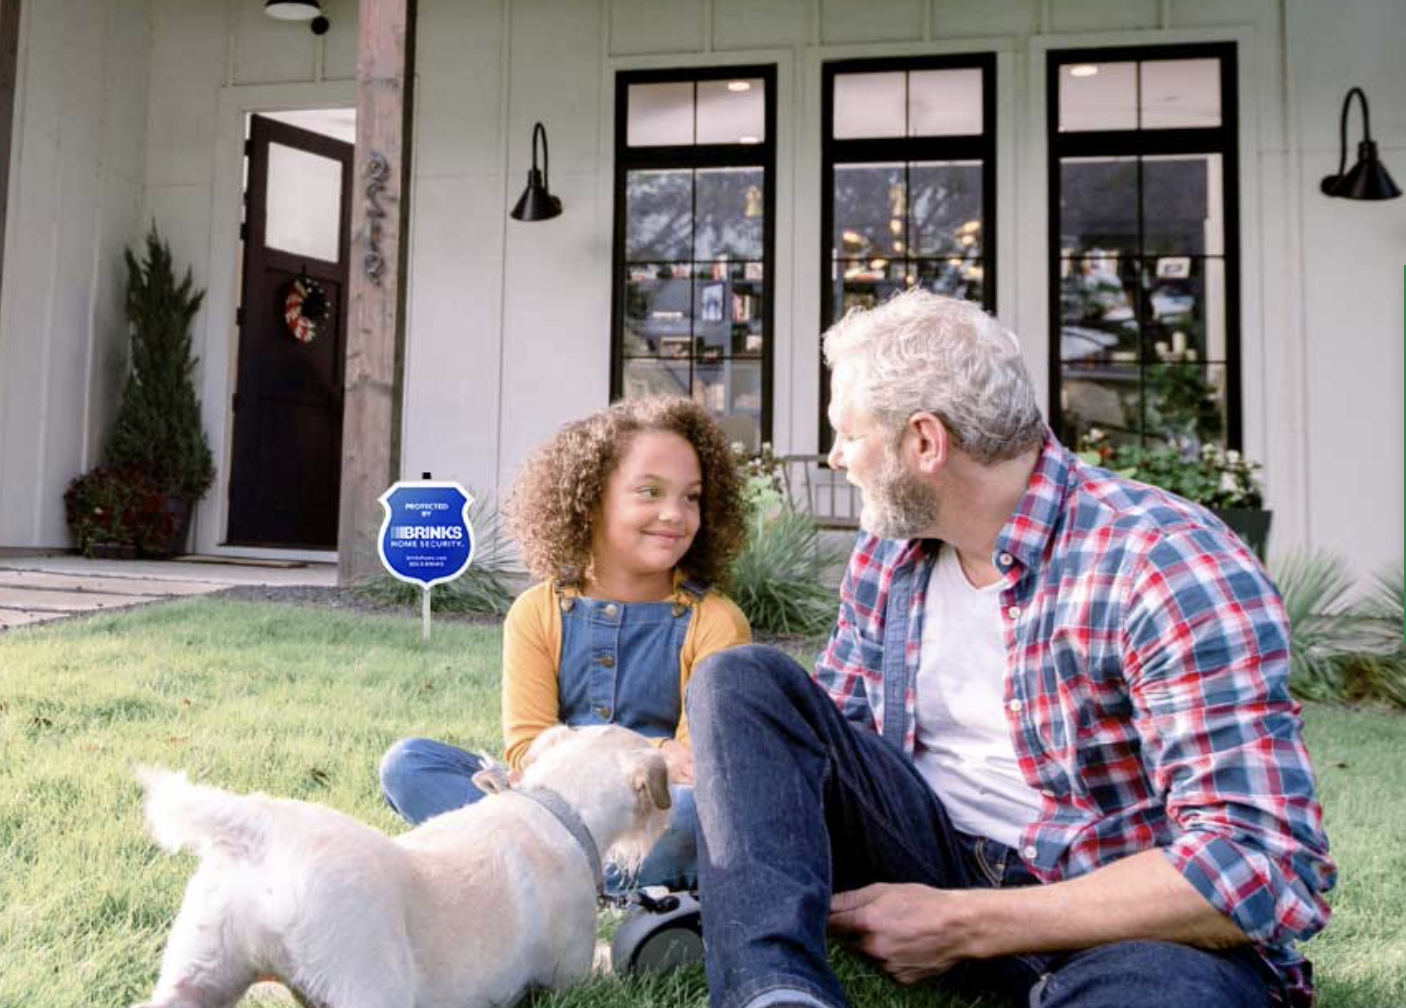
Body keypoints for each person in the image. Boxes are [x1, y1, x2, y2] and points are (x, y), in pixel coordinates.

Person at [685, 291, 1334, 1008]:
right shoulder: (891, 550)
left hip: (1120, 924)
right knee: (739, 681)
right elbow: (827, 747)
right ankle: (775, 992)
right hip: (930, 859)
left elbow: (1260, 864)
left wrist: (963, 924)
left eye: (847, 433)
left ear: (924, 443)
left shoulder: (1165, 564)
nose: (835, 457)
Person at [379, 395, 752, 891]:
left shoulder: (717, 622)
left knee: (699, 817)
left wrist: (651, 758)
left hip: (650, 821)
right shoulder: (536, 613)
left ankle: (529, 873)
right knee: (409, 764)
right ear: (591, 498)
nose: (675, 513)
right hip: (546, 800)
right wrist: (652, 747)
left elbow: (690, 772)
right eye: (649, 492)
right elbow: (527, 750)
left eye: (691, 497)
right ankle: (589, 878)